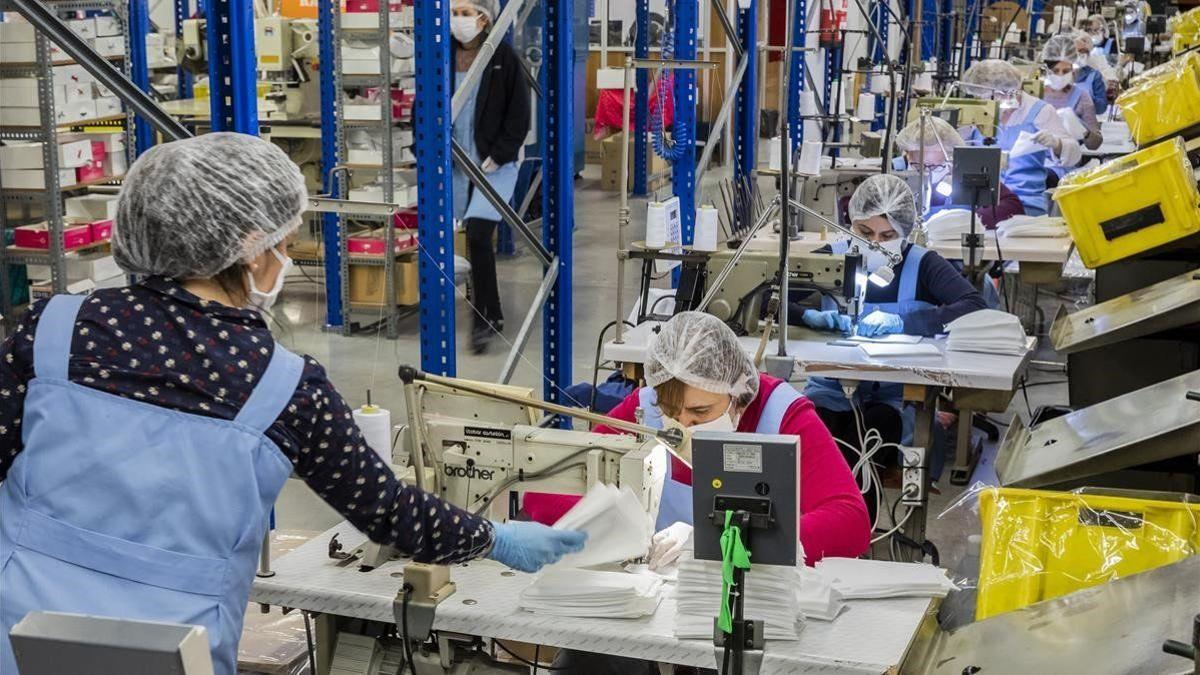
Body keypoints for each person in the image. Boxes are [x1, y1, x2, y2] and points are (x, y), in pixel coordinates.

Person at [0, 134, 584, 675]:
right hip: (173, 649)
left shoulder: (51, 328)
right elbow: (387, 511)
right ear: (251, 253)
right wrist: (495, 539)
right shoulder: (283, 385)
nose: (286, 254)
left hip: (16, 632)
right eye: (284, 241)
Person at [526, 312, 871, 565]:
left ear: (736, 393)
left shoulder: (780, 414)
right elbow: (544, 490)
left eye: (701, 413)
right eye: (673, 414)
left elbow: (851, 522)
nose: (683, 428)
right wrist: (624, 533)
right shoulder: (647, 408)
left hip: (753, 598)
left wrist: (727, 545)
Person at [798, 175, 986, 491]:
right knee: (819, 442)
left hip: (896, 395)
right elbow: (769, 295)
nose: (875, 243)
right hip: (831, 387)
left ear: (904, 231)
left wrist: (905, 322)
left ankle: (880, 524)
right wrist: (807, 314)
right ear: (850, 221)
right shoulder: (829, 256)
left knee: (871, 438)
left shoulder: (923, 264)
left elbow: (974, 305)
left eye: (887, 235)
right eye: (865, 232)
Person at [450, 0, 531, 354]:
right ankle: (493, 310)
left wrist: (500, 154)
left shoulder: (503, 58)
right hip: (452, 162)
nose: (458, 20)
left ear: (484, 18)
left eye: (465, 13)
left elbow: (519, 114)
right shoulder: (440, 55)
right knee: (450, 237)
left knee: (480, 236)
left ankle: (482, 321)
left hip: (492, 165)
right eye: (453, 12)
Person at [960, 59, 1081, 216]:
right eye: (986, 98)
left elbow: (1074, 157)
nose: (995, 102)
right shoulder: (976, 111)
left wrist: (1057, 144)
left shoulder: (1040, 111)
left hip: (1026, 202)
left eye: (1001, 95)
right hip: (980, 200)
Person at [893, 115, 1025, 229]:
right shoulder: (893, 170)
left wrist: (965, 221)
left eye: (934, 167)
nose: (927, 172)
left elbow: (1012, 206)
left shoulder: (964, 169)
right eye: (917, 166)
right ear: (907, 153)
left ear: (950, 157)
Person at [1042, 34, 1104, 158]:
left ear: (1073, 69)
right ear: (1046, 69)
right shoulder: (1036, 94)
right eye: (1055, 71)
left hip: (1065, 164)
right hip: (1035, 161)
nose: (1060, 75)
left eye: (1065, 71)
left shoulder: (1081, 97)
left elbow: (1095, 144)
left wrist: (1083, 131)